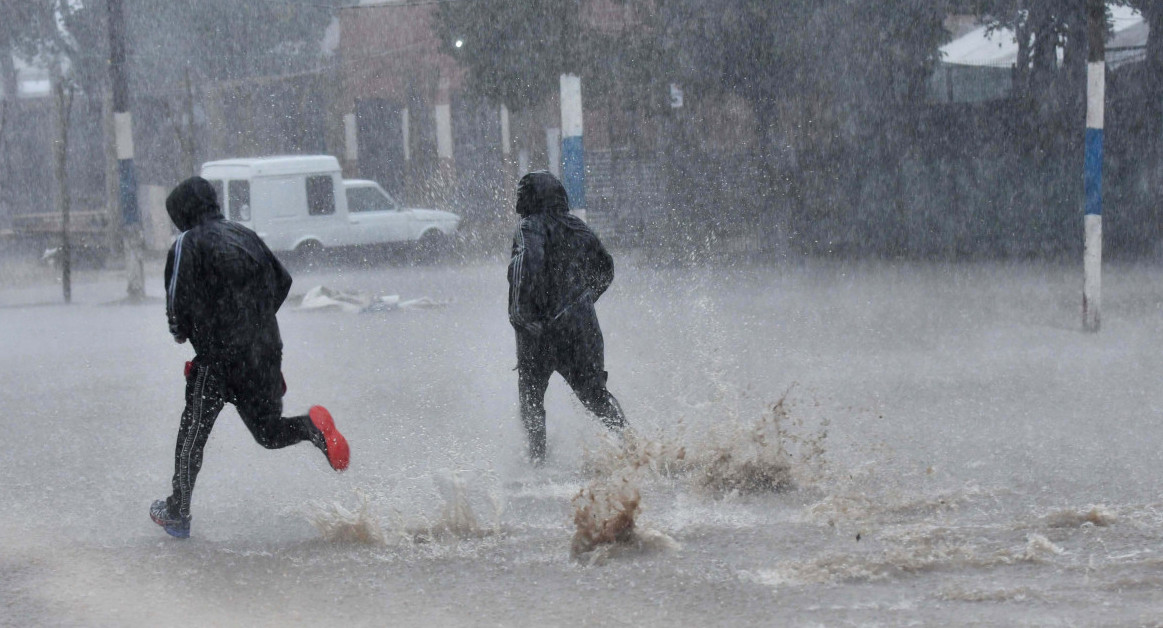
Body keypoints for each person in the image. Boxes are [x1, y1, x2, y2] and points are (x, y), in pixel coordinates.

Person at [150, 176, 349, 539]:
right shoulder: (245, 235)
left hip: (216, 358)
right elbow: (283, 281)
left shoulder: (187, 243)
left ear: (181, 213)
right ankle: (312, 429)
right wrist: (254, 326)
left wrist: (183, 332)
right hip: (264, 352)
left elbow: (176, 303)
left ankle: (177, 512)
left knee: (193, 432)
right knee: (268, 432)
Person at [507, 171, 627, 463]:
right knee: (596, 396)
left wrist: (520, 314)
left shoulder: (528, 227)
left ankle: (537, 462)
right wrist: (582, 301)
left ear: (530, 198)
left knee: (532, 399)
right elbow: (605, 267)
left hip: (539, 332)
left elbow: (529, 264)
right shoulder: (577, 226)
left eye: (522, 193)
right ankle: (633, 447)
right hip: (580, 329)